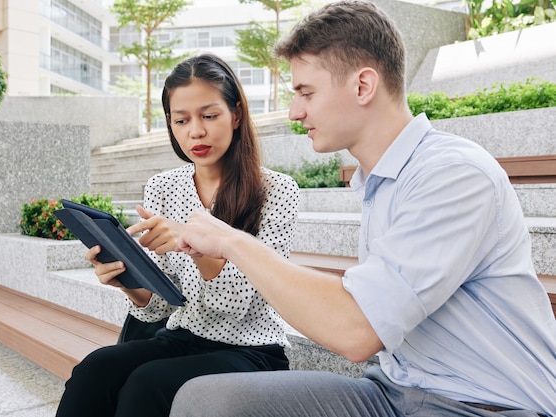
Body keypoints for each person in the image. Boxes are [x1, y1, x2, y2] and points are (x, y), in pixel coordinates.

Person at [169, 2, 556, 416]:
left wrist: (232, 241)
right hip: (392, 393)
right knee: (204, 400)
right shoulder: (378, 180)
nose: (295, 111)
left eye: (306, 93)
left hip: (483, 405)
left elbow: (356, 330)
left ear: (362, 86)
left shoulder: (453, 175)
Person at [54, 53, 300, 417]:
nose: (195, 132)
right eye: (181, 120)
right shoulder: (163, 187)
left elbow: (237, 306)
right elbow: (162, 305)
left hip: (250, 348)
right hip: (181, 336)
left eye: (209, 115)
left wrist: (194, 244)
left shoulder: (277, 191)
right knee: (95, 369)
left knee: (148, 384)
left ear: (236, 114)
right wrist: (126, 281)